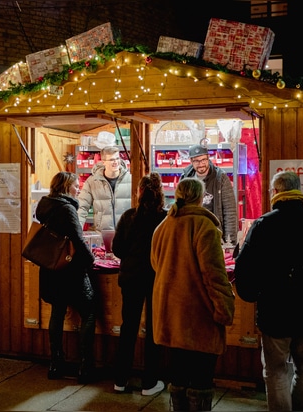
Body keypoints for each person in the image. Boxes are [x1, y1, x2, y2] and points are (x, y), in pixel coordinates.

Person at [234, 170, 303, 411]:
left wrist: (252, 294)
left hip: (276, 312)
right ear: (298, 191)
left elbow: (245, 267)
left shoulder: (263, 225)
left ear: (276, 192)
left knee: (276, 370)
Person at [151, 178, 236, 411]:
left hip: (171, 316)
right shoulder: (204, 227)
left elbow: (156, 264)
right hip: (199, 317)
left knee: (177, 377)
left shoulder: (163, 227)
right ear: (200, 198)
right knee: (200, 380)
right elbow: (214, 275)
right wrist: (224, 309)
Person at [35, 171, 97, 384]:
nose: (78, 188)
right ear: (65, 187)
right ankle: (85, 365)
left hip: (51, 268)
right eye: (74, 185)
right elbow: (78, 241)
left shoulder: (44, 205)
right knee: (88, 313)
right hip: (71, 270)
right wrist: (92, 260)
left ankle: (56, 363)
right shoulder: (67, 209)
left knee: (57, 312)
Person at [112, 172, 167, 396]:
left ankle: (120, 380)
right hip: (155, 279)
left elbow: (117, 249)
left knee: (128, 328)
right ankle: (150, 382)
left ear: (139, 192)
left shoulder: (128, 217)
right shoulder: (166, 218)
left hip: (131, 278)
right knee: (154, 330)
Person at [180, 144, 238, 244]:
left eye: (203, 160)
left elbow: (230, 212)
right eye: (196, 161)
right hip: (191, 236)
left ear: (208, 158)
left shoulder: (221, 178)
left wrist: (230, 242)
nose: (201, 164)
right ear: (191, 161)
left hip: (214, 235)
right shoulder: (185, 179)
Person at [77, 145, 132, 231]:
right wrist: (77, 231)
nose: (116, 162)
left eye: (117, 158)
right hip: (103, 233)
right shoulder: (92, 181)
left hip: (126, 233)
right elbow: (82, 207)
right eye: (111, 159)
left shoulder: (131, 180)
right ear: (103, 162)